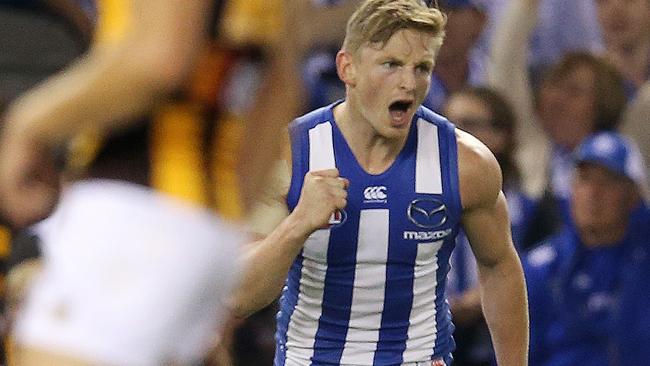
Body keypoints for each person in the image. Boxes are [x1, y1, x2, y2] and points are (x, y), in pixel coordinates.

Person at [0, 0, 303, 364]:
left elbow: (159, 58)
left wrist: (25, 127)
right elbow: (282, 87)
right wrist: (221, 222)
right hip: (202, 220)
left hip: (137, 211)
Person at [230, 1, 529, 365]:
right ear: (347, 67)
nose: (408, 82)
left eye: (421, 67)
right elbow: (242, 296)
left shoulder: (466, 163)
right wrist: (297, 224)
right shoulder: (292, 154)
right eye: (391, 65)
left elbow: (499, 266)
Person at [524, 131, 650, 365]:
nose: (593, 194)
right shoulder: (541, 268)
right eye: (584, 180)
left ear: (632, 194)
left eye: (608, 182)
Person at [443, 86, 538, 365]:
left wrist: (480, 300)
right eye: (447, 124)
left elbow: (540, 274)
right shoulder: (422, 205)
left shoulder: (533, 212)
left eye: (468, 125)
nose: (454, 136)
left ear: (502, 135)